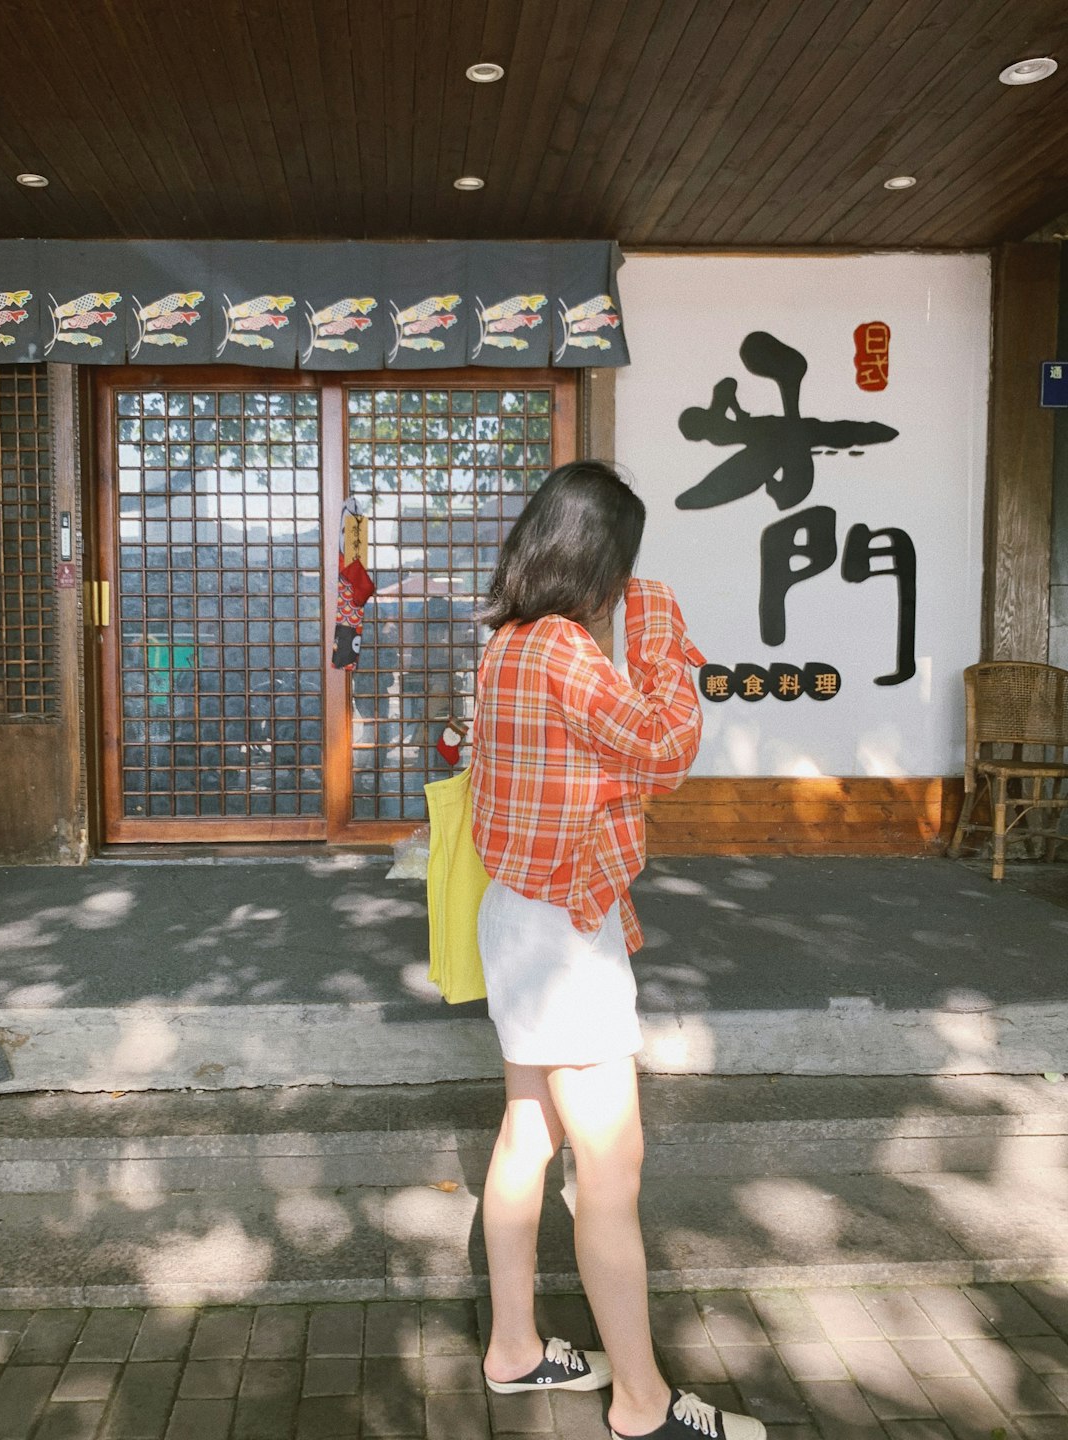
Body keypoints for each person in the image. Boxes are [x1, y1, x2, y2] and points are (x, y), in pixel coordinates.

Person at [470, 461, 766, 1440]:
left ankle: (515, 1348)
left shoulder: (507, 641)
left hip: (516, 915)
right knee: (611, 1169)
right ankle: (641, 1404)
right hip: (562, 936)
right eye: (624, 563)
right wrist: (670, 646)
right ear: (594, 558)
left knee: (526, 1133)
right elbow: (662, 749)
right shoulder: (563, 647)